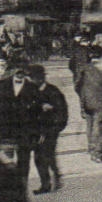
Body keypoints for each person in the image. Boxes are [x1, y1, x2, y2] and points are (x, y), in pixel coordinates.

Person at [0, 60, 41, 184]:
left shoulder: (32, 88)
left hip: (25, 132)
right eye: (17, 69)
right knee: (5, 161)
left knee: (24, 162)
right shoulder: (1, 85)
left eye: (22, 69)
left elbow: (38, 112)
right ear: (11, 71)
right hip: (5, 132)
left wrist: (37, 131)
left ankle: (22, 187)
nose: (19, 72)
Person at [30, 64, 68, 194]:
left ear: (41, 78)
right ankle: (45, 183)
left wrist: (55, 127)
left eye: (33, 78)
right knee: (38, 157)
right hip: (36, 131)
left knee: (47, 155)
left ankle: (54, 177)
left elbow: (62, 111)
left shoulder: (53, 92)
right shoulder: (30, 92)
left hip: (50, 130)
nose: (31, 81)